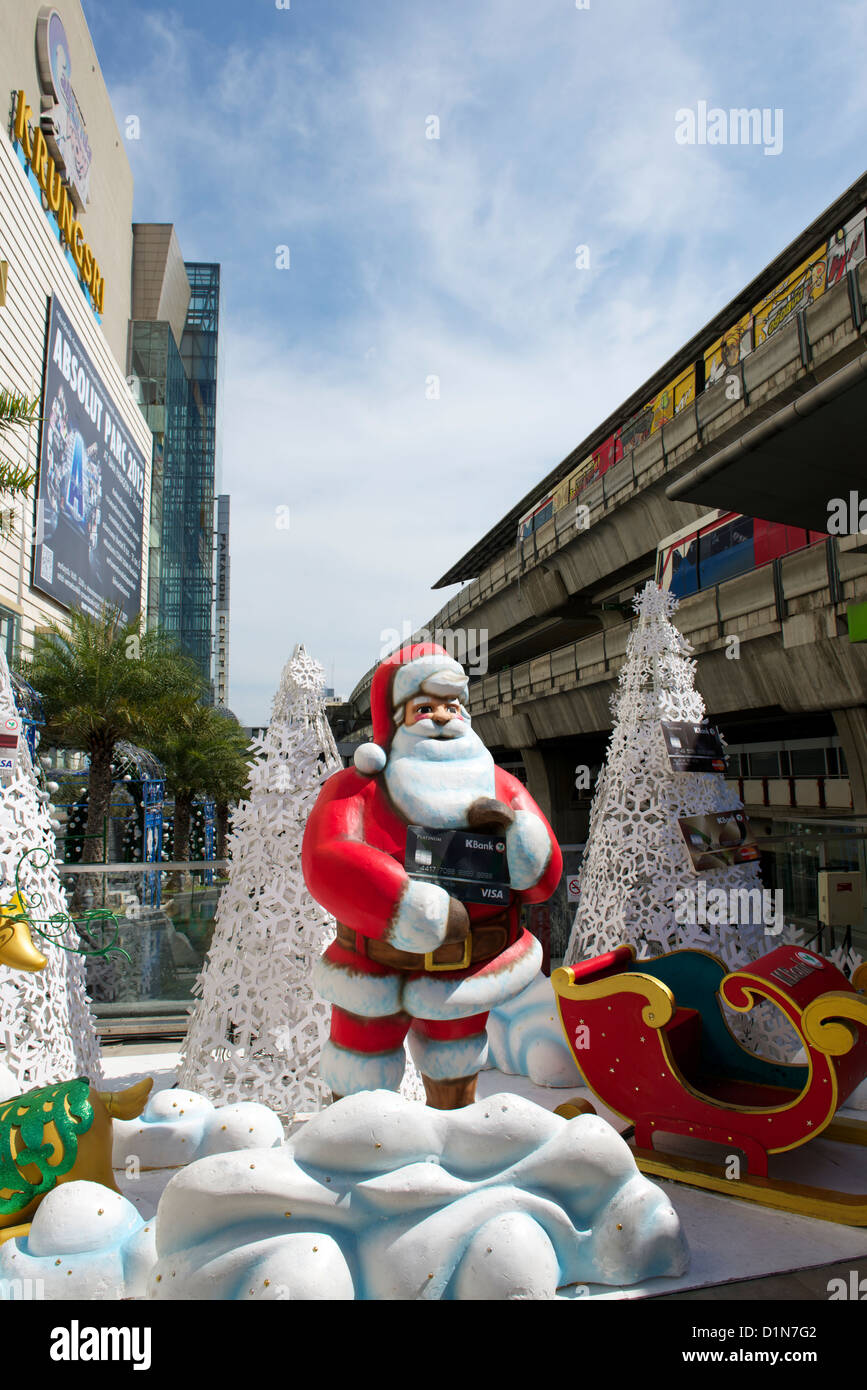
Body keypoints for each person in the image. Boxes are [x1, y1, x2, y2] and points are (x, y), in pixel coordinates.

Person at [302, 642, 562, 1108]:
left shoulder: (500, 785)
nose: (442, 717)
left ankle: (452, 1143)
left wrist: (518, 839)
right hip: (375, 967)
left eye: (452, 706)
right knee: (360, 1071)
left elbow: (542, 880)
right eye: (424, 707)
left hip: (467, 969)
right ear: (397, 719)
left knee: (456, 1065)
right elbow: (327, 857)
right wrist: (406, 905)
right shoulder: (357, 788)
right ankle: (358, 1150)